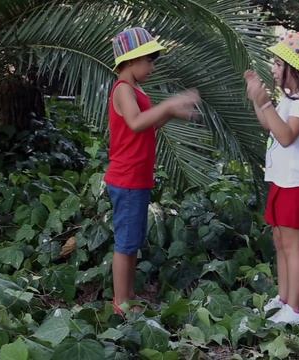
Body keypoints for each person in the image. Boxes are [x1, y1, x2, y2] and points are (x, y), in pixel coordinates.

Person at [105, 27, 200, 314]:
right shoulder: (122, 89)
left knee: (132, 241)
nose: (152, 66)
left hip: (137, 177)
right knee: (125, 243)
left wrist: (170, 113)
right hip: (127, 178)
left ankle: (129, 294)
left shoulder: (135, 89)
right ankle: (120, 302)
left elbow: (145, 126)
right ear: (131, 61)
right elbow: (135, 122)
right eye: (149, 60)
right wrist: (169, 104)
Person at [243, 30, 299, 326]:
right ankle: (283, 298)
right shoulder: (290, 99)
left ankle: (295, 310)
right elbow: (269, 126)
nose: (273, 69)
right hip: (281, 180)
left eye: (278, 64)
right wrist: (258, 99)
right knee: (280, 241)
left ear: (294, 69)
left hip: (297, 183)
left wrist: (265, 102)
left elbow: (286, 136)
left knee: (293, 246)